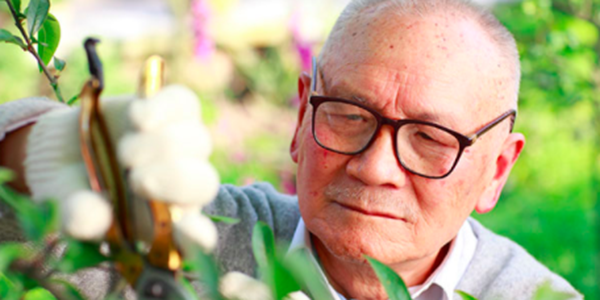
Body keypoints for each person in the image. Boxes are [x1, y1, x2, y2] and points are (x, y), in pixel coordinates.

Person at [0, 0, 583, 299]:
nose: (375, 167)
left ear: (496, 170)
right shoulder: (192, 242)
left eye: (431, 139)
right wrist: (53, 153)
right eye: (348, 116)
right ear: (302, 114)